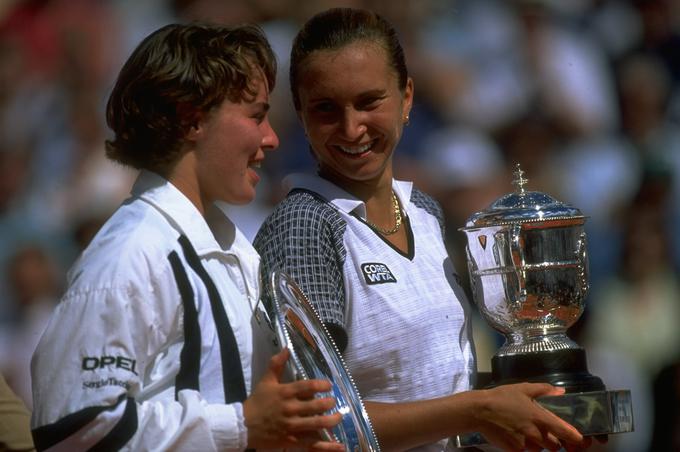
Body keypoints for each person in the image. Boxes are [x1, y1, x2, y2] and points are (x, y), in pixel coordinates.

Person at [254, 7, 590, 452]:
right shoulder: (303, 224)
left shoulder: (426, 213)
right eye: (326, 109)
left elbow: (439, 386)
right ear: (300, 113)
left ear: (407, 97)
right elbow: (319, 418)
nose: (352, 128)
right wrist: (476, 410)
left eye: (369, 101)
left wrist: (544, 403)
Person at [29, 22, 343, 451]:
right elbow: (68, 428)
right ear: (192, 118)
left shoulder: (232, 248)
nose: (271, 138)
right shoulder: (133, 253)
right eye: (255, 114)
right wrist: (241, 425)